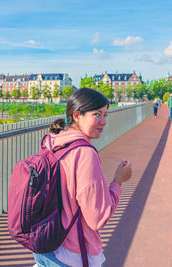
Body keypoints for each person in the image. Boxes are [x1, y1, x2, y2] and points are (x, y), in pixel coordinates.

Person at [34, 88, 132, 267]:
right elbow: (97, 218)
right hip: (71, 255)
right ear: (77, 115)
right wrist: (118, 180)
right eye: (97, 114)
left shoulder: (52, 141)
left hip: (45, 246)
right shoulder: (84, 153)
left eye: (105, 115)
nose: (103, 121)